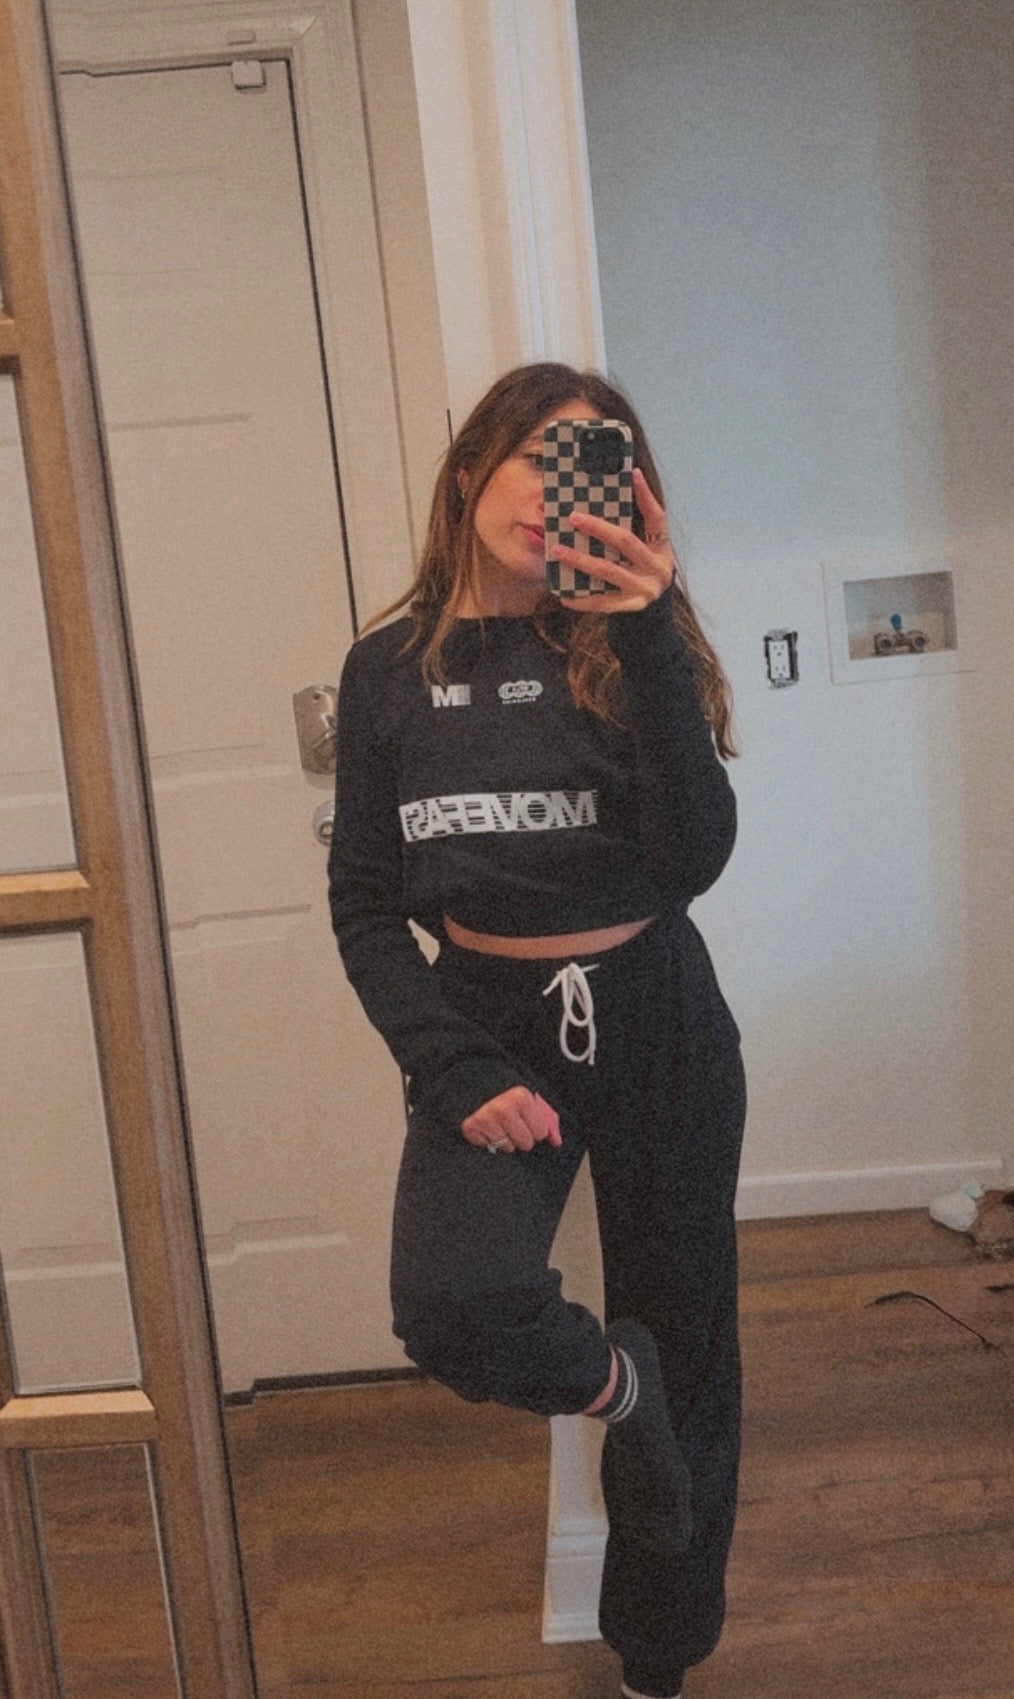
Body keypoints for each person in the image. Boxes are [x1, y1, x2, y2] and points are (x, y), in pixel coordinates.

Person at [327, 362, 746, 1699]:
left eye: (593, 467)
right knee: (452, 1304)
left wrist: (647, 626)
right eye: (537, 459)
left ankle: (658, 1654)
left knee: (692, 1332)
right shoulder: (385, 672)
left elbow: (693, 859)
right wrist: (448, 1062)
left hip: (657, 1006)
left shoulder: (626, 643)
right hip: (490, 1020)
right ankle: (619, 1386)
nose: (556, 494)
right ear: (471, 471)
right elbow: (364, 907)